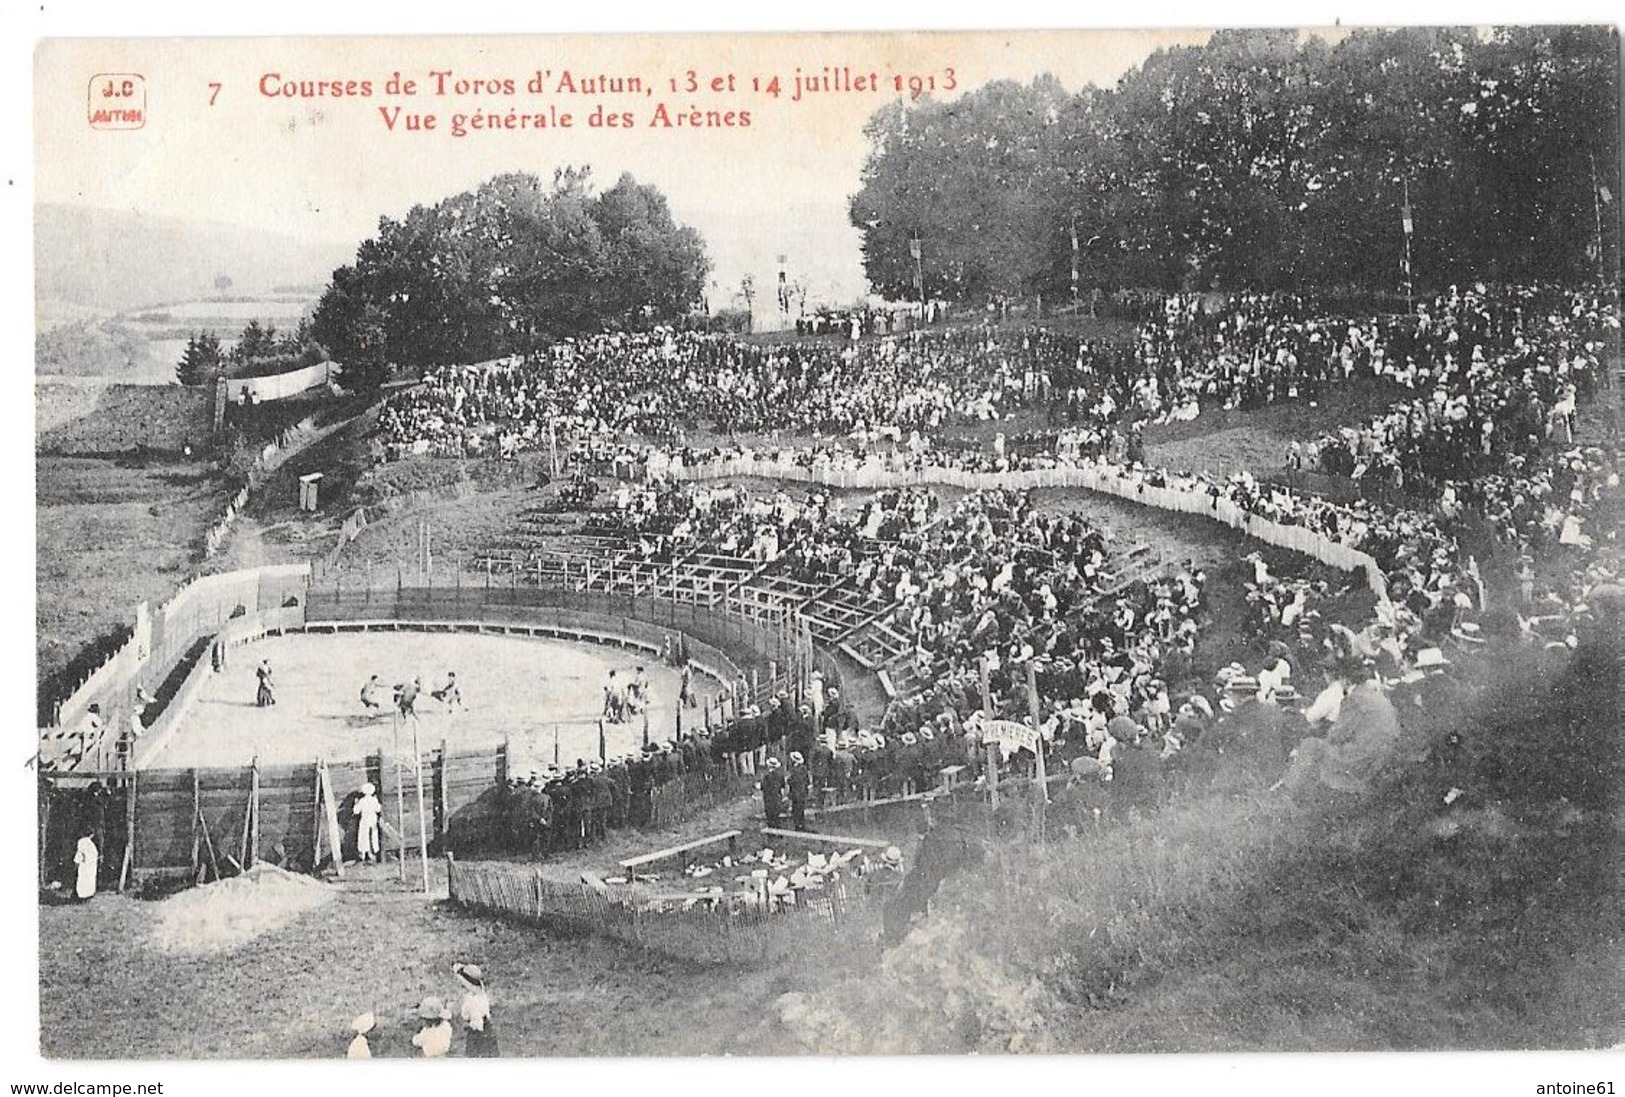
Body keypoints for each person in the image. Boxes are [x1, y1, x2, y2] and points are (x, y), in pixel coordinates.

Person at [453, 963, 499, 1058]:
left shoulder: (474, 1001)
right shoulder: (478, 993)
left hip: (479, 1032)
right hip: (485, 1028)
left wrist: (471, 1025)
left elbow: (478, 1023)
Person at [354, 782, 383, 864]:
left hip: (365, 820)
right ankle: (373, 853)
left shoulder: (362, 801)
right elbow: (378, 809)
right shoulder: (374, 800)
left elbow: (356, 811)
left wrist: (356, 803)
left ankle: (363, 855)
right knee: (373, 836)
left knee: (364, 837)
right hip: (372, 819)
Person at [760, 756, 786, 828]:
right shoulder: (780, 776)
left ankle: (772, 832)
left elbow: (762, 787)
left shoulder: (766, 777)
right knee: (776, 816)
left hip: (769, 798)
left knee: (770, 816)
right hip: (777, 798)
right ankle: (777, 830)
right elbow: (783, 787)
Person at [787, 751, 811, 831]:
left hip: (796, 792)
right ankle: (801, 824)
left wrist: (789, 780)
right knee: (801, 809)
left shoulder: (794, 770)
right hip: (803, 792)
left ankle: (798, 825)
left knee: (796, 809)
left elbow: (792, 781)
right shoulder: (804, 769)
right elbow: (807, 781)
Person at [73, 828, 98, 901]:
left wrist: (76, 862)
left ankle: (83, 896)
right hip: (89, 865)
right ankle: (86, 896)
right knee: (87, 879)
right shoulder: (90, 844)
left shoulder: (82, 842)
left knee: (83, 879)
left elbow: (80, 853)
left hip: (85, 864)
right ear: (92, 835)